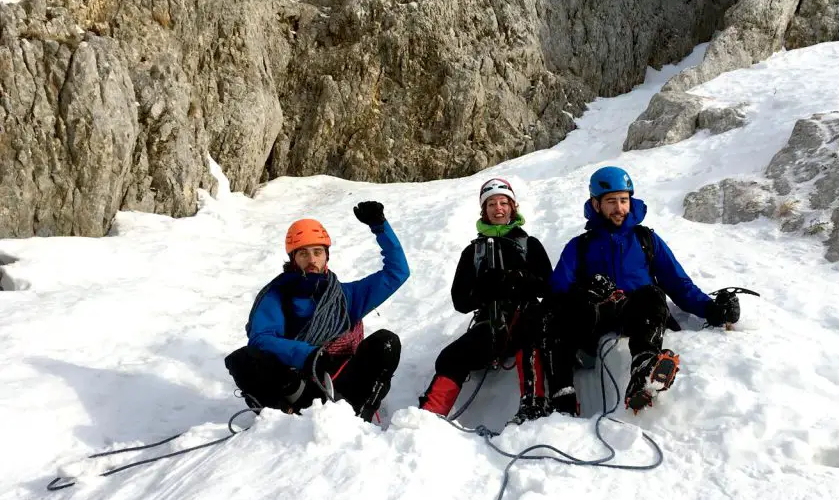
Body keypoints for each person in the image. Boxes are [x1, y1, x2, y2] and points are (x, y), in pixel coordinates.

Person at [543, 167, 740, 414]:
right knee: (559, 315)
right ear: (596, 204)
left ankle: (644, 370)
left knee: (653, 293)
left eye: (624, 200)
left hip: (637, 314)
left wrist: (711, 309)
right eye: (611, 201)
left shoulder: (646, 239)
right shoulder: (580, 246)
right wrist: (584, 293)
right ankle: (563, 397)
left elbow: (677, 283)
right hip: (595, 319)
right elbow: (556, 292)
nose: (619, 208)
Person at [225, 202, 410, 421]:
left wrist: (380, 227)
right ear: (293, 259)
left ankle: (361, 414)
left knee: (386, 342)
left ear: (326, 256)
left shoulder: (346, 296)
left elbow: (397, 273)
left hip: (342, 380)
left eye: (317, 252)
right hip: (295, 384)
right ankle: (283, 419)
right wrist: (308, 355)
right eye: (303, 253)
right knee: (243, 359)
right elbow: (261, 339)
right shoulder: (276, 295)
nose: (312, 260)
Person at [419, 178, 554, 425]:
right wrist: (484, 289)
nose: (498, 208)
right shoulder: (473, 252)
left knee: (530, 335)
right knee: (451, 356)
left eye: (504, 203)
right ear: (484, 210)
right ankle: (429, 416)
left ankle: (534, 404)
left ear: (513, 207)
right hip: (490, 322)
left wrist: (521, 279)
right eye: (491, 204)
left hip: (526, 316)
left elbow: (549, 286)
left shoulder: (530, 245)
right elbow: (460, 301)